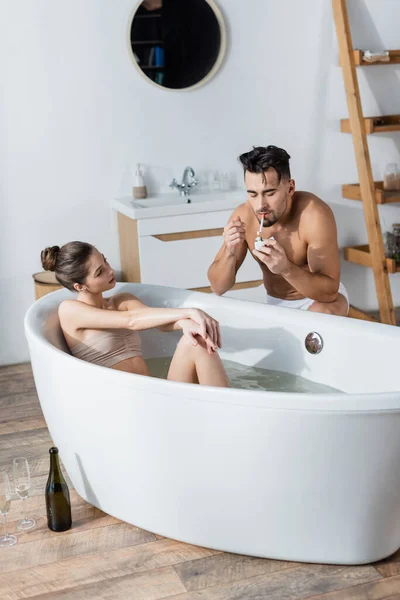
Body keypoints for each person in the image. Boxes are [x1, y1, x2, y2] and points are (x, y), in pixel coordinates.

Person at [41, 242, 230, 387]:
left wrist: (186, 323)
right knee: (195, 338)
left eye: (105, 261)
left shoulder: (121, 301)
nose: (110, 270)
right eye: (99, 272)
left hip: (156, 393)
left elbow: (155, 320)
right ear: (80, 286)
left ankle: (228, 413)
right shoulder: (70, 310)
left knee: (197, 341)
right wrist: (190, 311)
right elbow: (132, 321)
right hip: (126, 404)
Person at [208, 146, 349, 316]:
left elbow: (329, 292)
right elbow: (217, 287)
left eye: (270, 193)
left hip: (317, 300)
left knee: (321, 314)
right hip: (273, 301)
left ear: (290, 188)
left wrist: (286, 269)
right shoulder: (243, 215)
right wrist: (229, 252)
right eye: (253, 194)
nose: (260, 205)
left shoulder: (313, 214)